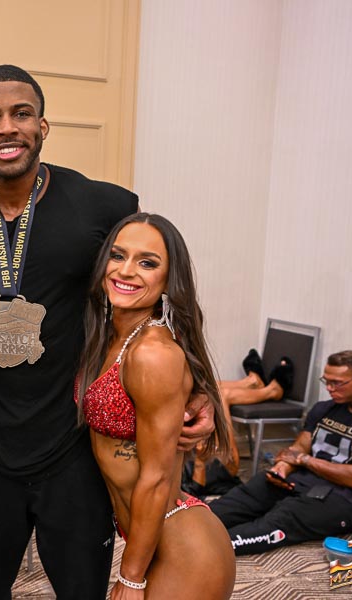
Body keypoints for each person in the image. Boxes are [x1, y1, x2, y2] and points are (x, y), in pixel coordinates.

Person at [0, 64, 215, 600]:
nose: (6, 127)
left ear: (42, 126)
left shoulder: (104, 205)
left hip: (74, 450)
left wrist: (195, 386)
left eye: (22, 113)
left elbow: (152, 289)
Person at [76, 212, 236, 599]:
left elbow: (157, 477)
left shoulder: (152, 353)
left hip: (185, 547)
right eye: (117, 256)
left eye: (147, 263)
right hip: (148, 536)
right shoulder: (109, 335)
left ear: (168, 279)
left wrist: (130, 578)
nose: (126, 270)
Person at [209, 350, 352, 555]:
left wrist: (303, 460)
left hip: (342, 498)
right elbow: (299, 447)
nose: (329, 388)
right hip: (299, 480)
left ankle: (206, 549)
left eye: (337, 383)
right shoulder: (324, 409)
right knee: (240, 498)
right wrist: (283, 467)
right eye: (326, 381)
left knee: (274, 522)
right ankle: (192, 528)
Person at [191, 349, 295, 483]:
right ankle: (271, 391)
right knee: (219, 395)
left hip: (198, 459)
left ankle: (250, 383)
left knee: (200, 388)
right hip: (221, 465)